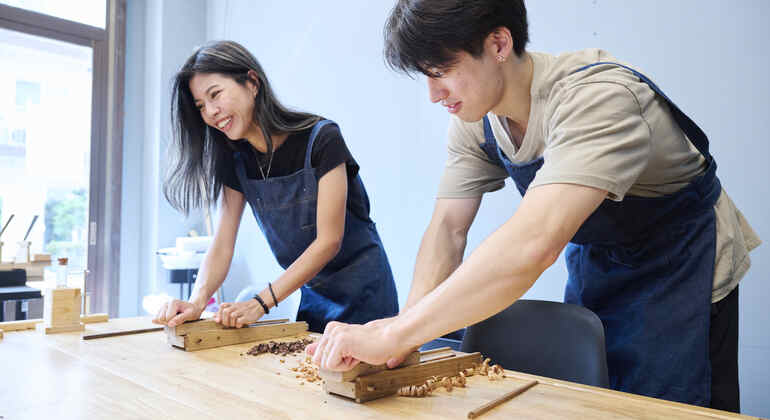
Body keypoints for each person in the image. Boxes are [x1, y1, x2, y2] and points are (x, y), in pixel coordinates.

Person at [308, 0, 760, 412]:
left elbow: (533, 244)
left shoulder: (598, 98)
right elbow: (447, 229)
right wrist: (404, 337)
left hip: (682, 262)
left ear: (498, 44)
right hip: (601, 258)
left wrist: (395, 333)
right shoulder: (476, 118)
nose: (433, 94)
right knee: (596, 400)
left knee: (667, 405)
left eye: (441, 70)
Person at [152, 40, 398, 333]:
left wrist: (260, 303)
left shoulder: (323, 139)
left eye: (215, 94)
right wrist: (196, 302)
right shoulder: (236, 160)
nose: (211, 112)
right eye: (201, 106)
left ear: (252, 83)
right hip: (314, 299)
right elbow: (222, 243)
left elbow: (329, 241)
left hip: (368, 298)